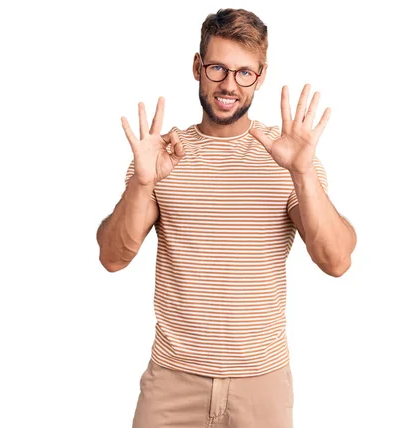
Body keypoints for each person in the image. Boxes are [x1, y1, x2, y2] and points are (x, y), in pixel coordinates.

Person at [96, 8, 357, 428]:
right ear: (198, 67)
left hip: (262, 386)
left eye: (244, 73)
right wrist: (142, 183)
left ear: (261, 75)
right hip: (172, 380)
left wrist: (303, 172)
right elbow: (112, 257)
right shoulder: (161, 155)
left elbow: (337, 261)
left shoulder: (288, 157)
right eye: (217, 68)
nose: (228, 85)